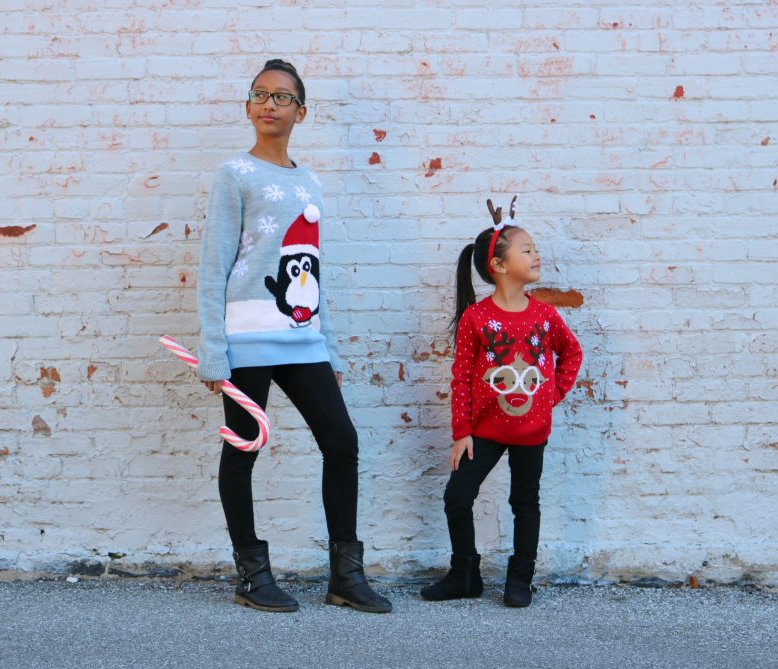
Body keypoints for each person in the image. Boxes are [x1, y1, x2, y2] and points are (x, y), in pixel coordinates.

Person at [197, 59, 390, 614]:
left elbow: (312, 266)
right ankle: (252, 575)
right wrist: (214, 350)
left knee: (342, 442)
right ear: (248, 107)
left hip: (301, 338)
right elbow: (214, 265)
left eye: (281, 97)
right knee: (242, 452)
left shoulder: (309, 182)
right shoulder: (234, 173)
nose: (268, 104)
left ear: (300, 112)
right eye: (259, 95)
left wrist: (324, 343)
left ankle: (345, 577)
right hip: (246, 340)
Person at [421, 197, 583, 607]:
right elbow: (460, 376)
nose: (537, 255)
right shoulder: (477, 317)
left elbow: (572, 353)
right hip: (484, 431)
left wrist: (552, 395)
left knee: (525, 501)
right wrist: (462, 433)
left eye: (535, 249)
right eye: (527, 250)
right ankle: (464, 574)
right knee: (458, 495)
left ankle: (520, 577)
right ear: (499, 265)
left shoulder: (545, 316)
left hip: (532, 429)